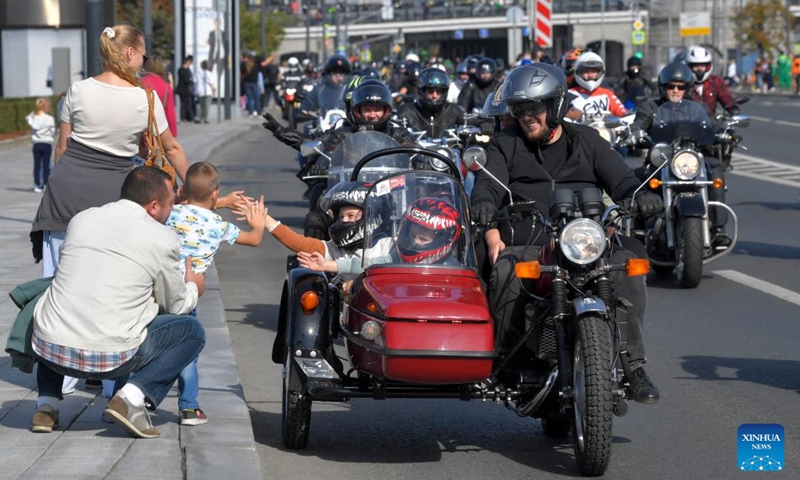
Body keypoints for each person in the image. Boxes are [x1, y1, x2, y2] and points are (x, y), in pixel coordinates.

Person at [469, 63, 663, 404]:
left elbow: (621, 179)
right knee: (504, 271)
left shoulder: (586, 140)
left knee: (631, 262)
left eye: (534, 108)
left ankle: (632, 363)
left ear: (556, 105)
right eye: (519, 109)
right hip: (530, 243)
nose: (526, 116)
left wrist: (639, 195)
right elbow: (487, 182)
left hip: (587, 242)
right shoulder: (505, 145)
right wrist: (484, 204)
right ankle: (511, 363)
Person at [30, 167, 206, 438]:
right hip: (109, 359)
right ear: (154, 206)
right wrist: (194, 286)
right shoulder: (162, 237)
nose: (172, 211)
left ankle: (46, 406)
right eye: (171, 204)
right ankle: (131, 398)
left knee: (60, 305)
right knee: (191, 330)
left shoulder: (82, 218)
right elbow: (177, 305)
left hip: (50, 350)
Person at [165, 162, 266, 425]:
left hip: (157, 289)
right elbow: (254, 240)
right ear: (215, 193)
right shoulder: (218, 225)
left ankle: (125, 396)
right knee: (187, 350)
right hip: (187, 295)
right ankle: (188, 407)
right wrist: (258, 222)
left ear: (183, 190)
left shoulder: (170, 213)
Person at [630, 61, 732, 250]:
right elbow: (640, 122)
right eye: (671, 86)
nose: (675, 90)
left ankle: (718, 230)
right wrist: (635, 132)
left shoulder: (696, 108)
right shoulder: (650, 107)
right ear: (663, 87)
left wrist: (725, 131)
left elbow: (711, 123)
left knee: (716, 172)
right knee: (639, 179)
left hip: (690, 159)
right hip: (661, 161)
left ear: (688, 88)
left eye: (680, 87)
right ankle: (638, 233)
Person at [297, 195, 462, 272]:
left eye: (423, 238)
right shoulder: (396, 257)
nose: (414, 242)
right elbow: (363, 264)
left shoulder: (455, 269)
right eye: (411, 235)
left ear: (443, 240)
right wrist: (325, 265)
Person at [396, 67, 469, 138]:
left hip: (448, 149)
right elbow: (393, 127)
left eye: (438, 92)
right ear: (422, 91)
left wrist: (479, 123)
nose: (435, 96)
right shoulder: (408, 111)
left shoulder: (452, 110)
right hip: (417, 149)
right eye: (430, 92)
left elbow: (468, 120)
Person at [569, 51, 628, 118]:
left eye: (593, 72)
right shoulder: (570, 94)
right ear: (578, 73)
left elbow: (623, 115)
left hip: (602, 128)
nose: (590, 75)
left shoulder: (607, 94)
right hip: (576, 128)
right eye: (586, 72)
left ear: (600, 73)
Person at [684, 45, 740, 117]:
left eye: (702, 66)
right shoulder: (684, 83)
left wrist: (734, 110)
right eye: (696, 66)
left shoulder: (716, 81)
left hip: (710, 124)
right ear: (689, 67)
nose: (699, 69)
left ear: (708, 66)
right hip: (687, 124)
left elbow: (726, 97)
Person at [141, 54, 178, 137]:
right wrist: (173, 133)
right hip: (160, 127)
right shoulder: (166, 86)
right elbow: (170, 111)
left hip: (143, 126)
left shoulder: (140, 82)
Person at [26, 98, 55, 193]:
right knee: (46, 165)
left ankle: (37, 185)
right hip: (46, 143)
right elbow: (52, 131)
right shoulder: (49, 118)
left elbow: (28, 119)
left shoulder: (33, 118)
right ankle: (46, 184)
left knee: (37, 165)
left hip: (36, 143)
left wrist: (34, 112)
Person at [176, 55, 195, 122]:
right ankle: (189, 117)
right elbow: (186, 80)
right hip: (185, 89)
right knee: (187, 103)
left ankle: (184, 117)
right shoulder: (183, 70)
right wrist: (191, 79)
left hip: (182, 89)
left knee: (184, 103)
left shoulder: (181, 69)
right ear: (188, 62)